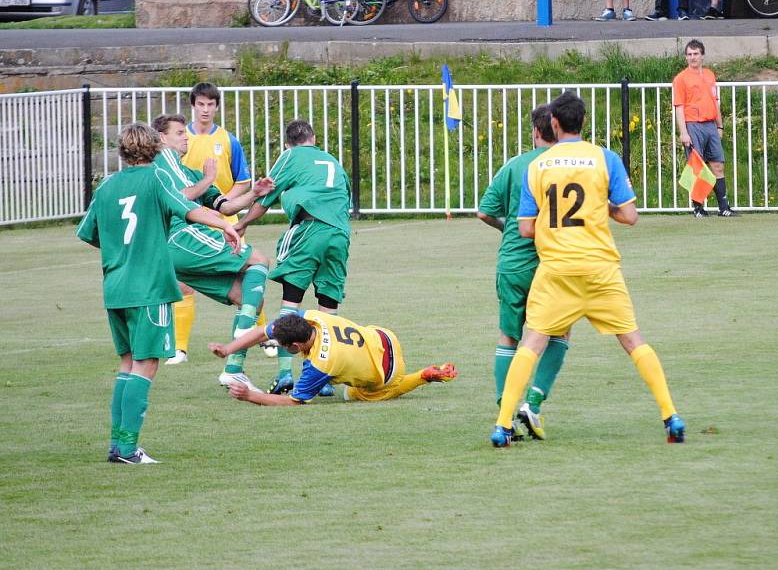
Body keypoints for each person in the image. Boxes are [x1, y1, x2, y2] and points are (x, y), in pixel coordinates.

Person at [490, 92, 685, 448]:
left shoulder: (537, 166)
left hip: (556, 271)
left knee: (531, 342)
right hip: (600, 269)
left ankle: (502, 426)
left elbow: (525, 229)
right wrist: (604, 208)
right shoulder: (604, 158)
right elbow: (629, 216)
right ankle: (671, 417)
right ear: (583, 122)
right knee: (632, 340)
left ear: (553, 123)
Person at [76, 123, 241, 464]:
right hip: (149, 286)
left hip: (115, 288)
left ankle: (117, 445)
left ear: (122, 151)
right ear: (155, 149)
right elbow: (188, 209)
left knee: (127, 363)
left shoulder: (107, 186)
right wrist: (224, 223)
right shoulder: (156, 178)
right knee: (147, 362)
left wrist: (121, 249)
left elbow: (89, 232)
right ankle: (127, 449)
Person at [152, 114, 275, 390]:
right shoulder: (163, 161)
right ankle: (229, 361)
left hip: (178, 254)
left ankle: (234, 369)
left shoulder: (188, 171)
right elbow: (179, 198)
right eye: (180, 132)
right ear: (162, 138)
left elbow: (227, 207)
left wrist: (254, 192)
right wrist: (209, 178)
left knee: (250, 298)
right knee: (259, 260)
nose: (186, 137)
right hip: (181, 237)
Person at [235, 119, 351, 397]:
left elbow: (266, 196)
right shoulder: (331, 159)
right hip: (340, 233)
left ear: (288, 144)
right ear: (314, 138)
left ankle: (286, 374)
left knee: (291, 303)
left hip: (309, 228)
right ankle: (322, 377)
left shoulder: (290, 156)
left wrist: (242, 223)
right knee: (328, 307)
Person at [477, 105, 568, 440]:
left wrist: (508, 231)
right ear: (557, 130)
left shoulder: (515, 166)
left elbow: (484, 212)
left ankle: (506, 412)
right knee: (558, 334)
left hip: (513, 262)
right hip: (551, 263)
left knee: (509, 338)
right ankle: (534, 401)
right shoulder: (563, 167)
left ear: (535, 132)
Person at [167, 81, 264, 364]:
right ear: (193, 106)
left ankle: (263, 337)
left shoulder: (228, 140)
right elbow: (179, 191)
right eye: (201, 104)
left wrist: (222, 205)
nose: (206, 109)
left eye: (211, 104)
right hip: (189, 224)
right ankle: (180, 348)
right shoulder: (181, 142)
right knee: (184, 286)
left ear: (217, 107)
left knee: (247, 280)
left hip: (224, 220)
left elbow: (242, 180)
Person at [208, 311, 458, 405]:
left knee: (355, 395)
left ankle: (422, 376)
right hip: (385, 337)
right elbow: (264, 331)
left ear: (295, 345)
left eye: (283, 347)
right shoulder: (312, 317)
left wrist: (251, 395)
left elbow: (294, 402)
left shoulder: (319, 364)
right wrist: (228, 349)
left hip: (389, 370)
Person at [673, 39, 739, 217]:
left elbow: (715, 101)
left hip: (710, 124)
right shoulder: (680, 79)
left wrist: (720, 125)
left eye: (695, 54)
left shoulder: (710, 75)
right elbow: (679, 106)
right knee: (697, 166)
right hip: (693, 125)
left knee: (718, 164)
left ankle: (724, 207)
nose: (692, 57)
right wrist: (683, 132)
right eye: (689, 54)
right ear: (686, 57)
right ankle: (698, 207)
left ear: (702, 55)